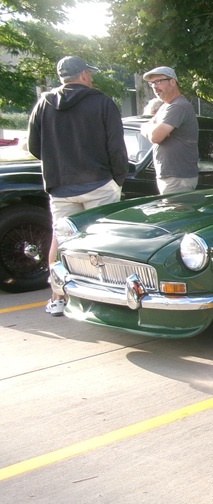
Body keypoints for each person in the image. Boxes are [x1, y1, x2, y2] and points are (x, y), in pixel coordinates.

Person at [27, 55, 127, 317]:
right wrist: (117, 179)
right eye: (89, 73)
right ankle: (105, 300)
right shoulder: (102, 102)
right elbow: (116, 147)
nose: (91, 77)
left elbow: (34, 146)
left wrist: (58, 162)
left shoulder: (44, 103)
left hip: (60, 186)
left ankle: (58, 297)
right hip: (99, 184)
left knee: (61, 241)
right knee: (104, 243)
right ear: (83, 74)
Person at [139, 66, 199, 194]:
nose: (155, 87)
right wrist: (149, 128)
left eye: (158, 81)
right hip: (171, 176)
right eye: (152, 83)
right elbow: (148, 126)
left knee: (175, 208)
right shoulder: (166, 106)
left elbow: (155, 136)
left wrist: (149, 128)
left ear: (172, 82)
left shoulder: (178, 106)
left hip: (178, 178)